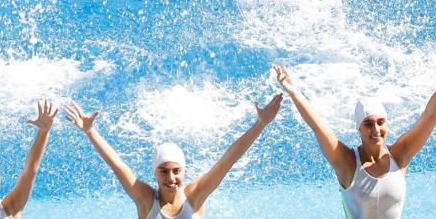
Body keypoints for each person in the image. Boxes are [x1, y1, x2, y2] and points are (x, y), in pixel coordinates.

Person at [274, 45, 436, 219]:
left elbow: (431, 115)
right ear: (358, 129)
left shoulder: (400, 154)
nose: (376, 130)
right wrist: (294, 92)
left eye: (381, 122)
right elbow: (318, 126)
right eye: (368, 124)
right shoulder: (347, 163)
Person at [63, 92, 283, 218]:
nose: (171, 178)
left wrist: (260, 124)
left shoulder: (195, 195)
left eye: (176, 171)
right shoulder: (146, 201)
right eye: (164, 171)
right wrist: (91, 132)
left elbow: (228, 159)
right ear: (155, 172)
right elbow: (117, 166)